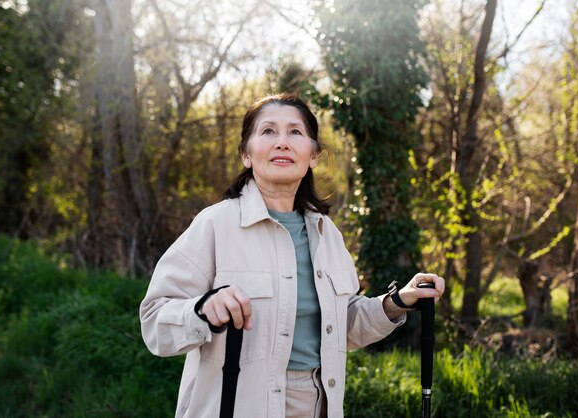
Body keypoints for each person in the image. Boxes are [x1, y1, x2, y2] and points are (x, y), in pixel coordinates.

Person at [139, 93, 445, 418]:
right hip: (239, 407)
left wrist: (398, 300)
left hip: (319, 406)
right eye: (268, 131)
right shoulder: (215, 224)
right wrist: (201, 310)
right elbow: (154, 322)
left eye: (295, 132)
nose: (282, 142)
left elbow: (342, 324)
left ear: (313, 155)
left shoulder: (328, 234)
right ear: (246, 153)